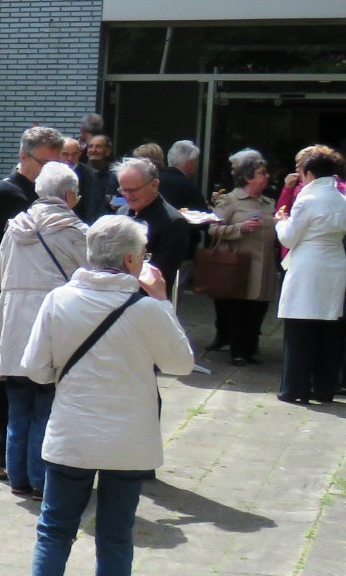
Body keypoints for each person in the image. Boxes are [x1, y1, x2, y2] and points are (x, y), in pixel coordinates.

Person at [0, 216, 192, 576]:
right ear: (129, 259)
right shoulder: (145, 308)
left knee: (53, 533)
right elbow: (181, 364)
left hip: (72, 436)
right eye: (141, 255)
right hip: (130, 442)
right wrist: (162, 300)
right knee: (116, 540)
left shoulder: (59, 299)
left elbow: (36, 368)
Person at [0, 125, 63, 480]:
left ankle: (10, 448)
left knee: (27, 373)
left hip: (33, 298)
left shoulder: (48, 196)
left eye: (57, 162)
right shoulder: (3, 193)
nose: (50, 169)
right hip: (4, 298)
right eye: (44, 162)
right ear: (23, 157)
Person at [0, 162, 87, 498]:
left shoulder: (14, 228)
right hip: (53, 321)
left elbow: (1, 276)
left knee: (18, 407)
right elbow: (86, 278)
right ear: (69, 195)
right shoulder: (75, 231)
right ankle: (40, 481)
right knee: (46, 406)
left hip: (14, 323)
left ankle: (17, 478)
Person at [274, 147, 346, 403]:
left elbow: (289, 237)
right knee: (329, 329)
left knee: (299, 328)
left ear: (310, 172)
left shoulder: (307, 199)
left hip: (308, 265)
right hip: (335, 263)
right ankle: (324, 388)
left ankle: (294, 388)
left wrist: (280, 220)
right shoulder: (341, 198)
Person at [206, 150, 278, 366]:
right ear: (248, 177)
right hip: (238, 265)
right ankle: (237, 351)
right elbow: (212, 229)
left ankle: (249, 348)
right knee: (237, 309)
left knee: (258, 308)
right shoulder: (230, 200)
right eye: (261, 173)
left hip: (264, 265)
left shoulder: (268, 203)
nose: (266, 177)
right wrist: (240, 228)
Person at [113, 157, 192, 292]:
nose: (127, 196)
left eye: (133, 190)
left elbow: (161, 276)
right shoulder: (122, 212)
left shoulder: (173, 222)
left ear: (154, 185)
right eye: (123, 190)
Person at [77, 136, 118, 223]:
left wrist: (116, 202)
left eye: (98, 147)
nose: (93, 150)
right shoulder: (79, 173)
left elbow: (124, 199)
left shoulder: (116, 174)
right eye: (90, 146)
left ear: (108, 151)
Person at [161, 140, 207, 211]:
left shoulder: (153, 181)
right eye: (195, 160)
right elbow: (203, 216)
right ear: (189, 161)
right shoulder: (188, 187)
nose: (197, 164)